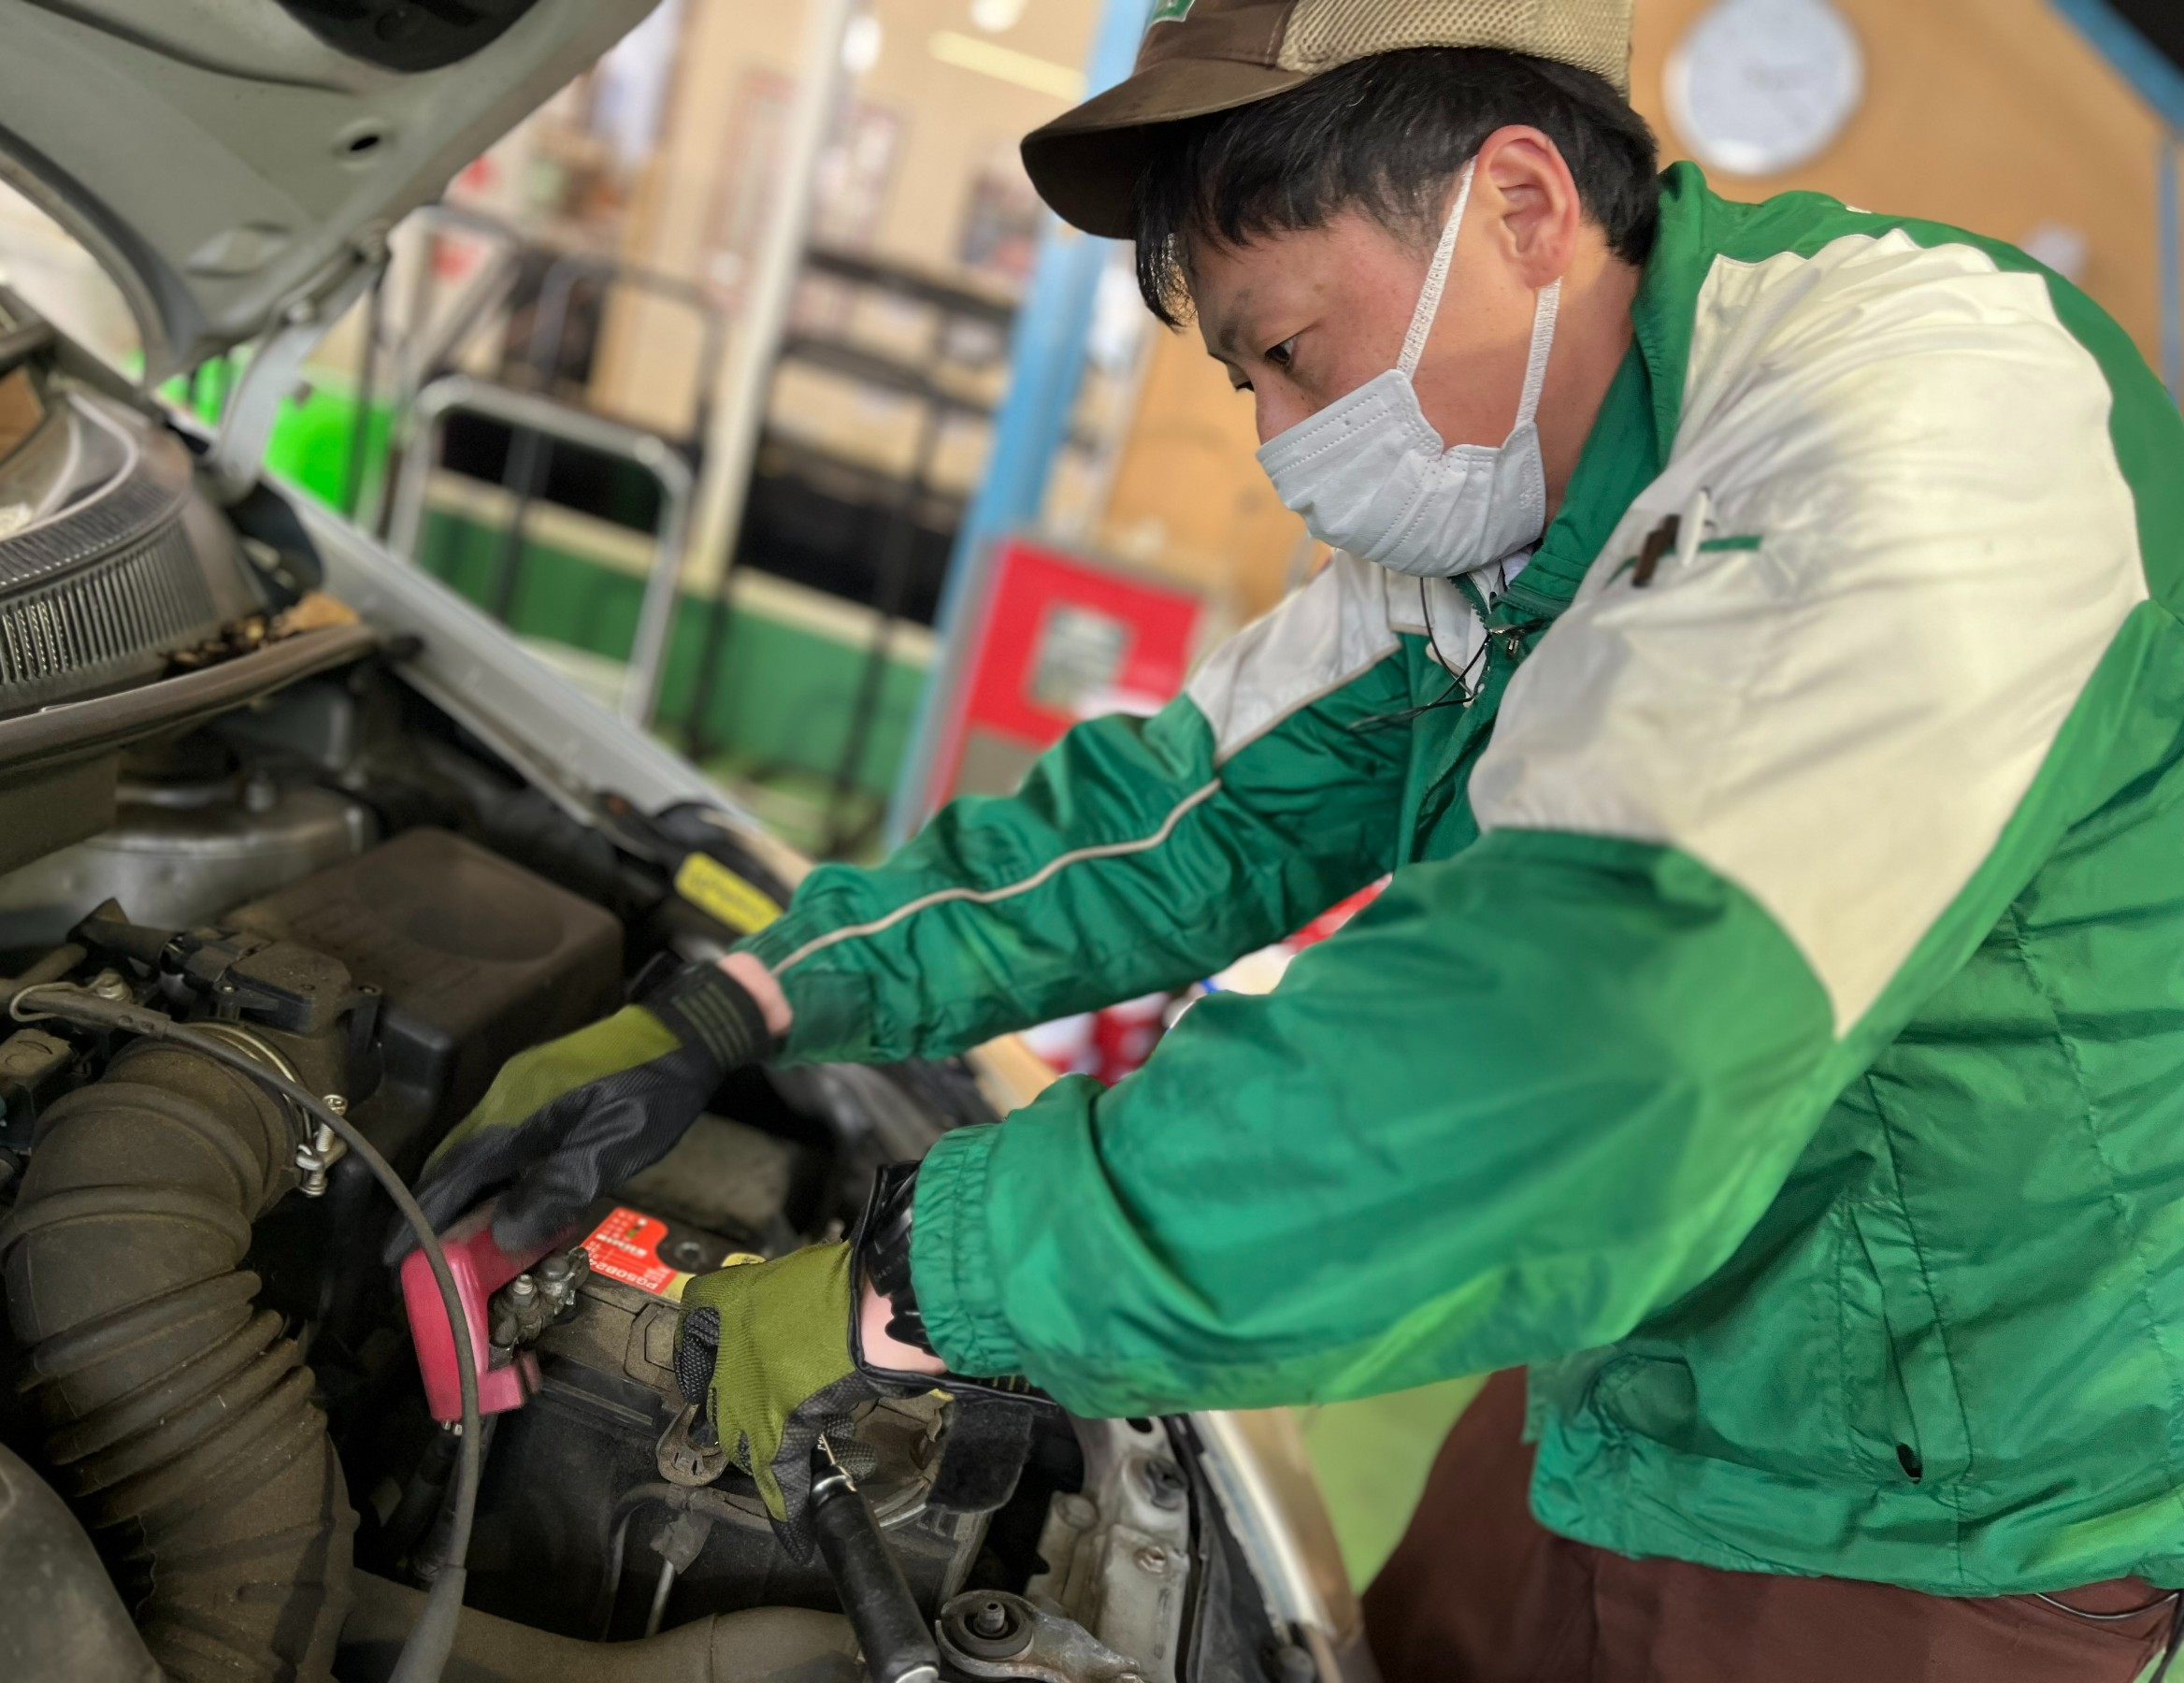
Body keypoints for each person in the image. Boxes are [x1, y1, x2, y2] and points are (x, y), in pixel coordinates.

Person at [405, 2, 2184, 1675]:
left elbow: (1573, 1048)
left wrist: (917, 1280)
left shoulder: (1918, 420)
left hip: (1940, 1506)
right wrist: (745, 999)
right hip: (1630, 1373)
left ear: (1521, 207)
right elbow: (1174, 825)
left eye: (1288, 351)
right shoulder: (1510, 517)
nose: (1275, 437)